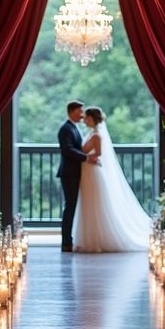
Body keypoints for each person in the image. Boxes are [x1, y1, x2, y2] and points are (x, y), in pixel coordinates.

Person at [73, 106, 151, 252]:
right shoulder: (93, 133)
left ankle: (95, 240)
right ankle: (87, 239)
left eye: (87, 118)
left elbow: (99, 153)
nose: (85, 121)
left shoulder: (96, 135)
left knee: (93, 204)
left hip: (93, 171)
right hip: (88, 171)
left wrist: (88, 158)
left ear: (92, 119)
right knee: (88, 203)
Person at [57, 100, 97, 253]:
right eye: (80, 111)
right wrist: (87, 158)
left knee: (72, 206)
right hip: (69, 173)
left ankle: (69, 240)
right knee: (70, 207)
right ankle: (66, 242)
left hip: (75, 172)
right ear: (73, 112)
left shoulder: (73, 128)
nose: (82, 115)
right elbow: (68, 150)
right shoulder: (65, 129)